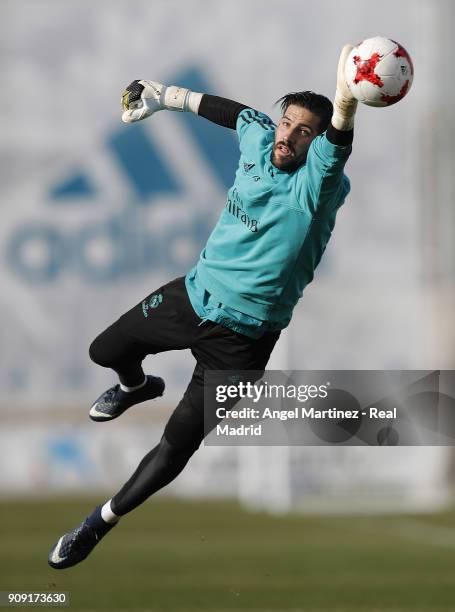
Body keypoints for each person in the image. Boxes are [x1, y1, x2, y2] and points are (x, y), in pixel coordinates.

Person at [48, 45, 358, 569]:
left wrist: (347, 104)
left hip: (244, 341)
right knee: (104, 349)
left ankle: (97, 523)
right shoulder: (263, 141)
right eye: (287, 122)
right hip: (193, 296)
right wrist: (163, 97)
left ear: (316, 140)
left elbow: (337, 149)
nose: (288, 135)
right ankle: (135, 386)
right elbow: (236, 114)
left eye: (304, 130)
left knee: (177, 446)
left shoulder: (318, 186)